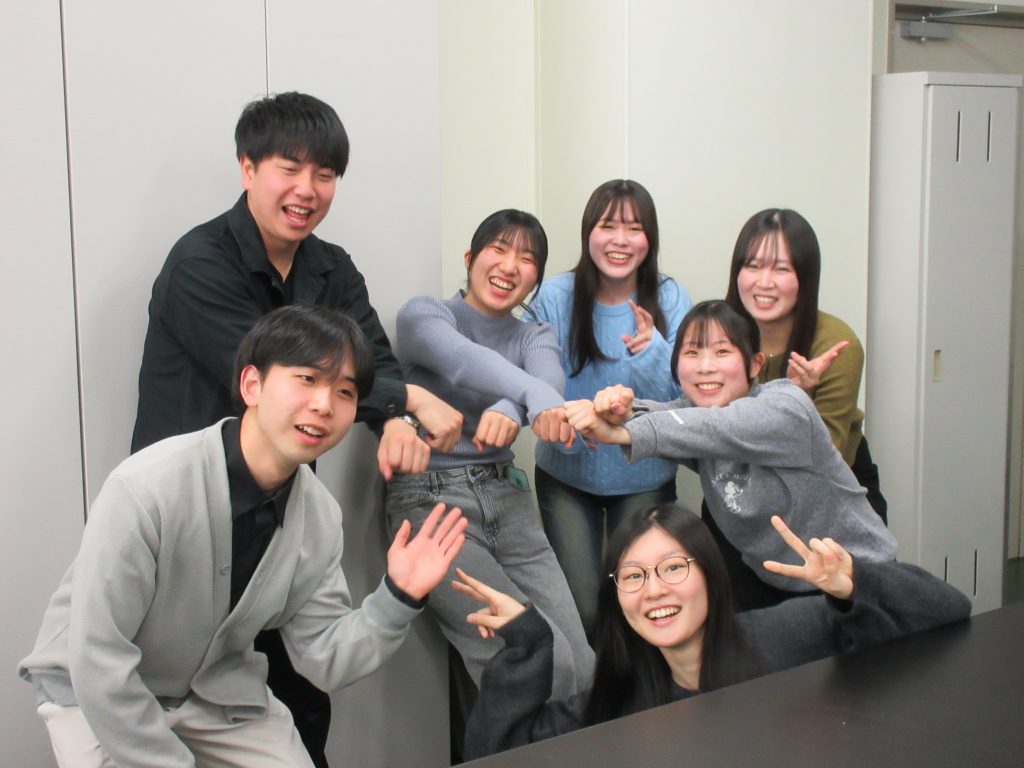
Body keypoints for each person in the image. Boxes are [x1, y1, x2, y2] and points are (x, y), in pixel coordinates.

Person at [129, 91, 461, 764]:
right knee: (178, 705)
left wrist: (393, 415)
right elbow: (278, 373)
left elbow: (370, 361)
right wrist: (411, 399)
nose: (307, 190)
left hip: (282, 514)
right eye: (289, 168)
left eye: (325, 174)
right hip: (192, 517)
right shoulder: (199, 265)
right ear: (248, 167)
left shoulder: (330, 267)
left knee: (302, 697)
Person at [19, 305, 467, 768]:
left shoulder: (319, 516)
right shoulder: (147, 488)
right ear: (252, 384)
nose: (324, 405)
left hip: (213, 692)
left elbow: (324, 655)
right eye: (307, 379)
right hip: (93, 693)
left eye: (345, 391)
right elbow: (99, 660)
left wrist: (399, 596)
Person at [455, 503, 970, 758]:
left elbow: (949, 609)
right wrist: (528, 643)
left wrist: (855, 581)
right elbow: (496, 751)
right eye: (633, 577)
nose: (654, 591)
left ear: (709, 574)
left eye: (673, 568)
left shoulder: (790, 633)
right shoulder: (619, 700)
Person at [385, 209, 594, 704]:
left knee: (583, 666)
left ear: (536, 279)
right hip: (432, 504)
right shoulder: (425, 315)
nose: (509, 265)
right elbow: (464, 362)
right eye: (498, 249)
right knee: (529, 668)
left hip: (507, 496)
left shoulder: (535, 335)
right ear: (470, 258)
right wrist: (532, 400)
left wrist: (511, 407)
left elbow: (548, 379)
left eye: (527, 258)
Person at [564, 300, 897, 608]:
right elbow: (671, 418)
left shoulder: (787, 407)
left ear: (754, 364)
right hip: (773, 580)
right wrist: (618, 410)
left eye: (722, 351)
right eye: (691, 353)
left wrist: (621, 431)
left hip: (856, 575)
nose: (706, 367)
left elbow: (713, 426)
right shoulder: (694, 412)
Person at [527, 179, 692, 641]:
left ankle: (637, 687)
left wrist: (652, 351)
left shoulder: (671, 298)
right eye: (607, 226)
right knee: (582, 610)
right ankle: (593, 686)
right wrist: (551, 412)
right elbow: (524, 370)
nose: (620, 240)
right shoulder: (555, 296)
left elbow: (688, 401)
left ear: (649, 239)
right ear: (588, 232)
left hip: (644, 476)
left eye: (634, 228)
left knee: (640, 605)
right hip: (566, 474)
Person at [724, 208, 885, 521]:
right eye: (753, 265)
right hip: (740, 484)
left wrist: (799, 398)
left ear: (805, 277)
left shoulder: (836, 344)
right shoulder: (720, 334)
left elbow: (826, 457)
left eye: (782, 269)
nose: (764, 282)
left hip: (830, 490)